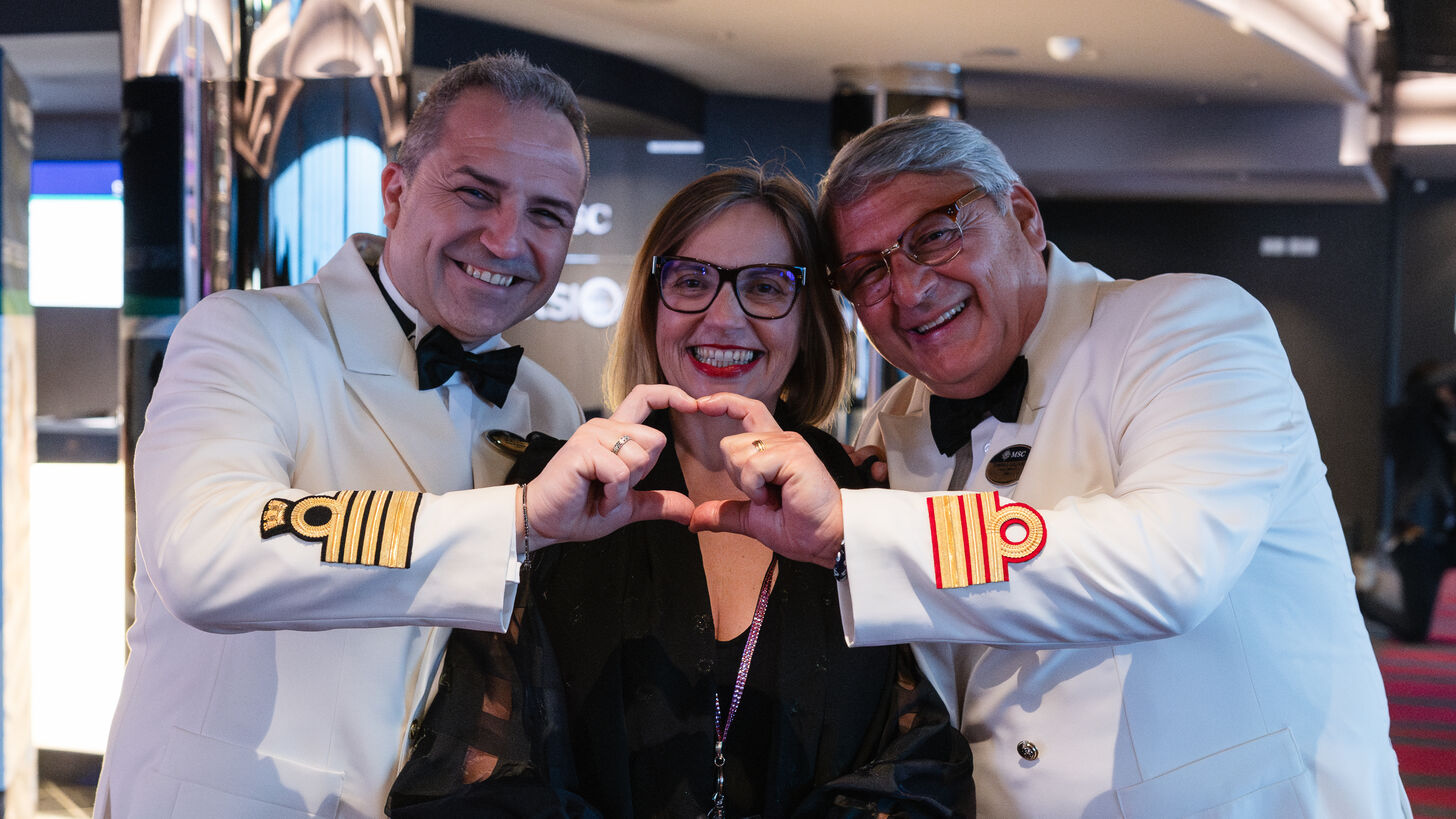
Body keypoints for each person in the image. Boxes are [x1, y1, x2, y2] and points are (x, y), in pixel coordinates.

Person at [688, 116, 1413, 817]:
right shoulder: (890, 427)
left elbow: (1166, 567)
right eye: (868, 272)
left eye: (934, 236)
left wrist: (858, 528)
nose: (908, 290)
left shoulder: (1190, 328)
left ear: (1025, 217)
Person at [95, 53, 695, 818]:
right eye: (476, 192)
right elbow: (204, 556)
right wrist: (509, 521)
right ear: (396, 190)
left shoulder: (546, 405)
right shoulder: (249, 335)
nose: (508, 239)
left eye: (547, 213)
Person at [388, 166, 975, 818]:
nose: (723, 317)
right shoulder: (558, 489)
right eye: (692, 281)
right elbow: (475, 774)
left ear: (808, 321)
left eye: (764, 286)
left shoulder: (867, 500)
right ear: (650, 305)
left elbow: (925, 773)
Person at [1372, 360, 1456, 641]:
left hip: (1437, 532)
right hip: (1415, 533)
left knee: (1420, 623)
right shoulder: (1407, 420)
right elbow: (1425, 392)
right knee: (1417, 628)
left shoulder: (1439, 426)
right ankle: (1357, 594)